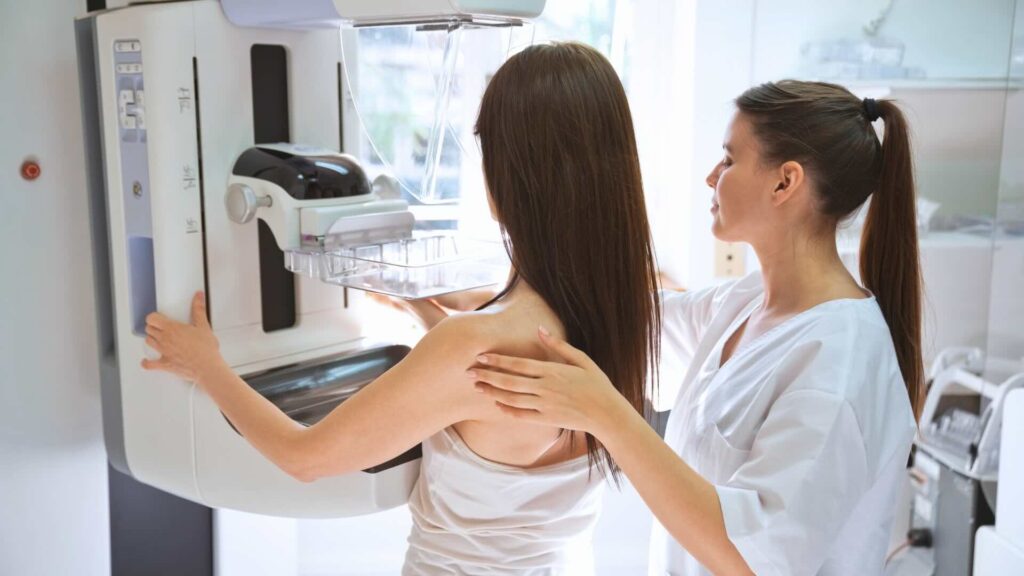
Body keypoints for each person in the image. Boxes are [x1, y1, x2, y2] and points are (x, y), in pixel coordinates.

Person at [140, 42, 661, 575]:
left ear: (507, 181)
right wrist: (424, 312)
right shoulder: (620, 320)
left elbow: (304, 457)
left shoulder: (472, 345)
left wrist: (207, 366)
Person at [472, 80, 922, 575]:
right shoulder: (747, 303)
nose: (712, 177)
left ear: (785, 182)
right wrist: (465, 306)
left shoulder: (838, 366)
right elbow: (634, 323)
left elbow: (752, 561)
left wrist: (607, 414)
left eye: (728, 160)